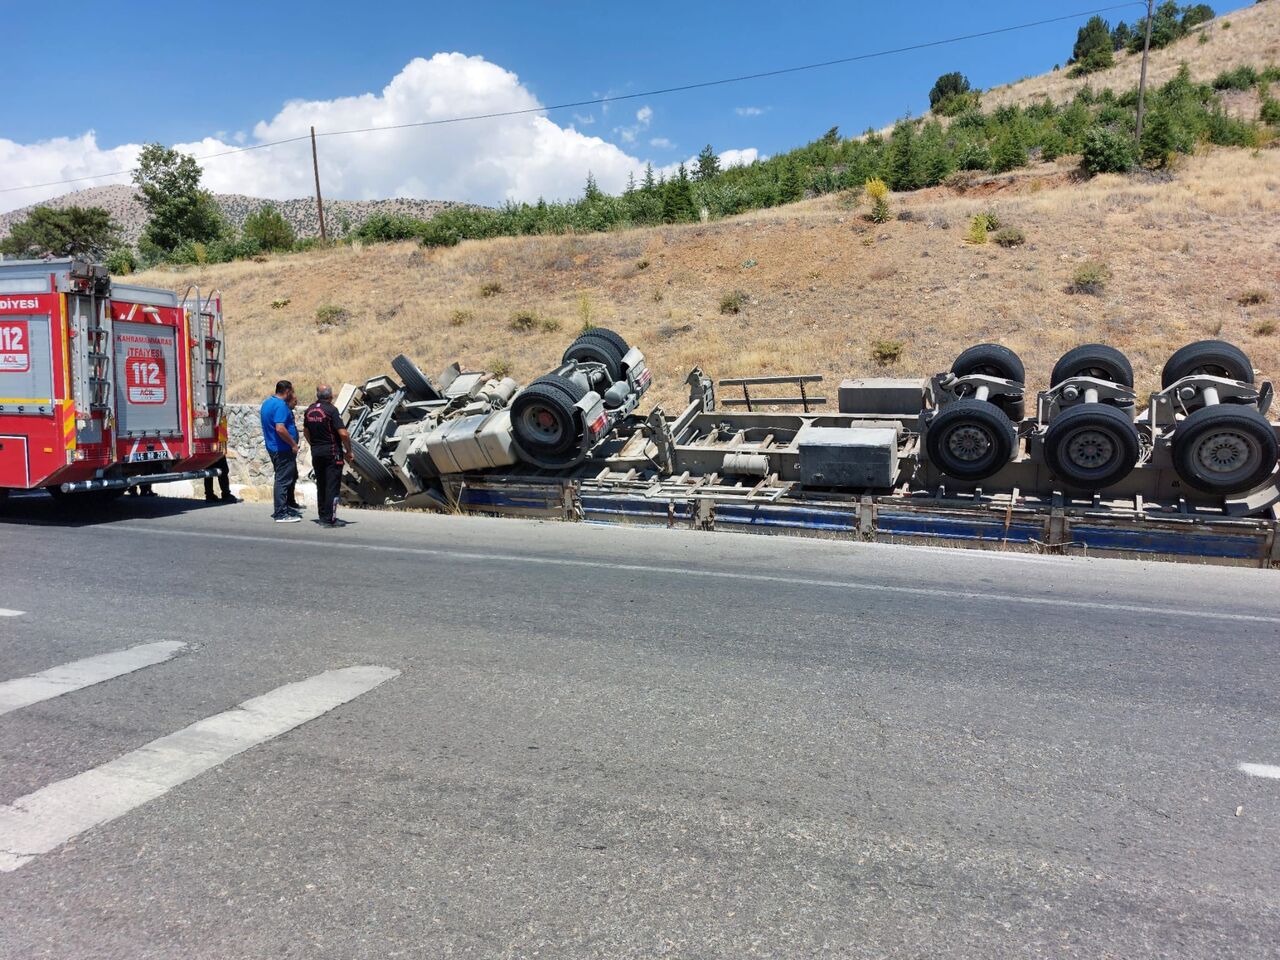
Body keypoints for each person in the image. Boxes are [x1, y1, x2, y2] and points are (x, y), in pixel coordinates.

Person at [303, 383, 353, 527]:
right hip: (332, 453)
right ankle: (330, 518)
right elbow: (343, 433)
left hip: (317, 452)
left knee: (322, 484)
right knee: (332, 485)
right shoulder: (331, 410)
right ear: (331, 396)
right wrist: (349, 451)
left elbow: (306, 431)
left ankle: (323, 515)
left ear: (317, 396)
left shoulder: (310, 410)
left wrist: (314, 444)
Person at [260, 379, 301, 523]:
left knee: (283, 478)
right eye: (292, 391)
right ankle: (280, 513)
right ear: (287, 391)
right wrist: (293, 444)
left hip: (274, 447)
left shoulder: (267, 403)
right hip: (282, 448)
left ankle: (284, 507)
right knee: (283, 480)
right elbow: (280, 428)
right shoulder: (281, 406)